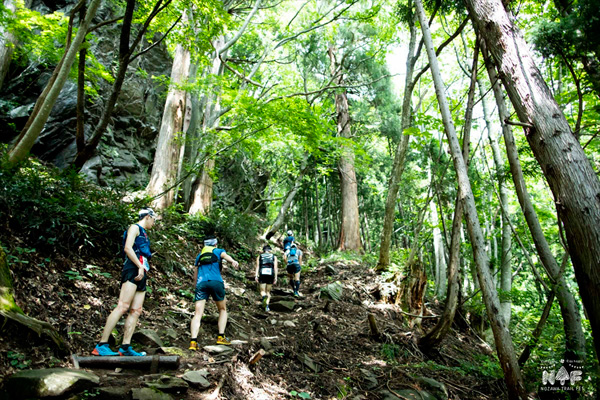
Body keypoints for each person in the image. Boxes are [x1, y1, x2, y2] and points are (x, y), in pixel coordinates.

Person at [92, 208, 157, 356]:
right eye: (154, 219)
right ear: (148, 217)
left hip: (142, 270)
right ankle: (102, 344)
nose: (154, 223)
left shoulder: (145, 233)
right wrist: (139, 266)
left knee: (136, 310)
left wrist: (142, 268)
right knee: (123, 306)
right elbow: (128, 248)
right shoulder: (134, 227)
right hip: (133, 269)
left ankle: (125, 347)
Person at [189, 236, 239, 350]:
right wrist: (233, 261)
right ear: (215, 244)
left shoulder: (199, 256)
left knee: (197, 313)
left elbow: (195, 272)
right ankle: (221, 336)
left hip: (201, 284)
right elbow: (226, 257)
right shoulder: (218, 251)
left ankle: (193, 342)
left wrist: (195, 285)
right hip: (216, 282)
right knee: (222, 309)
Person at [254, 245, 278, 311]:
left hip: (262, 273)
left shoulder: (260, 256)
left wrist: (256, 275)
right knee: (268, 291)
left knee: (262, 291)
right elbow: (275, 268)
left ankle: (264, 297)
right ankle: (267, 306)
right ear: (270, 250)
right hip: (270, 274)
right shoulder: (274, 257)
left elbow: (257, 267)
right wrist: (275, 277)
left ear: (263, 250)